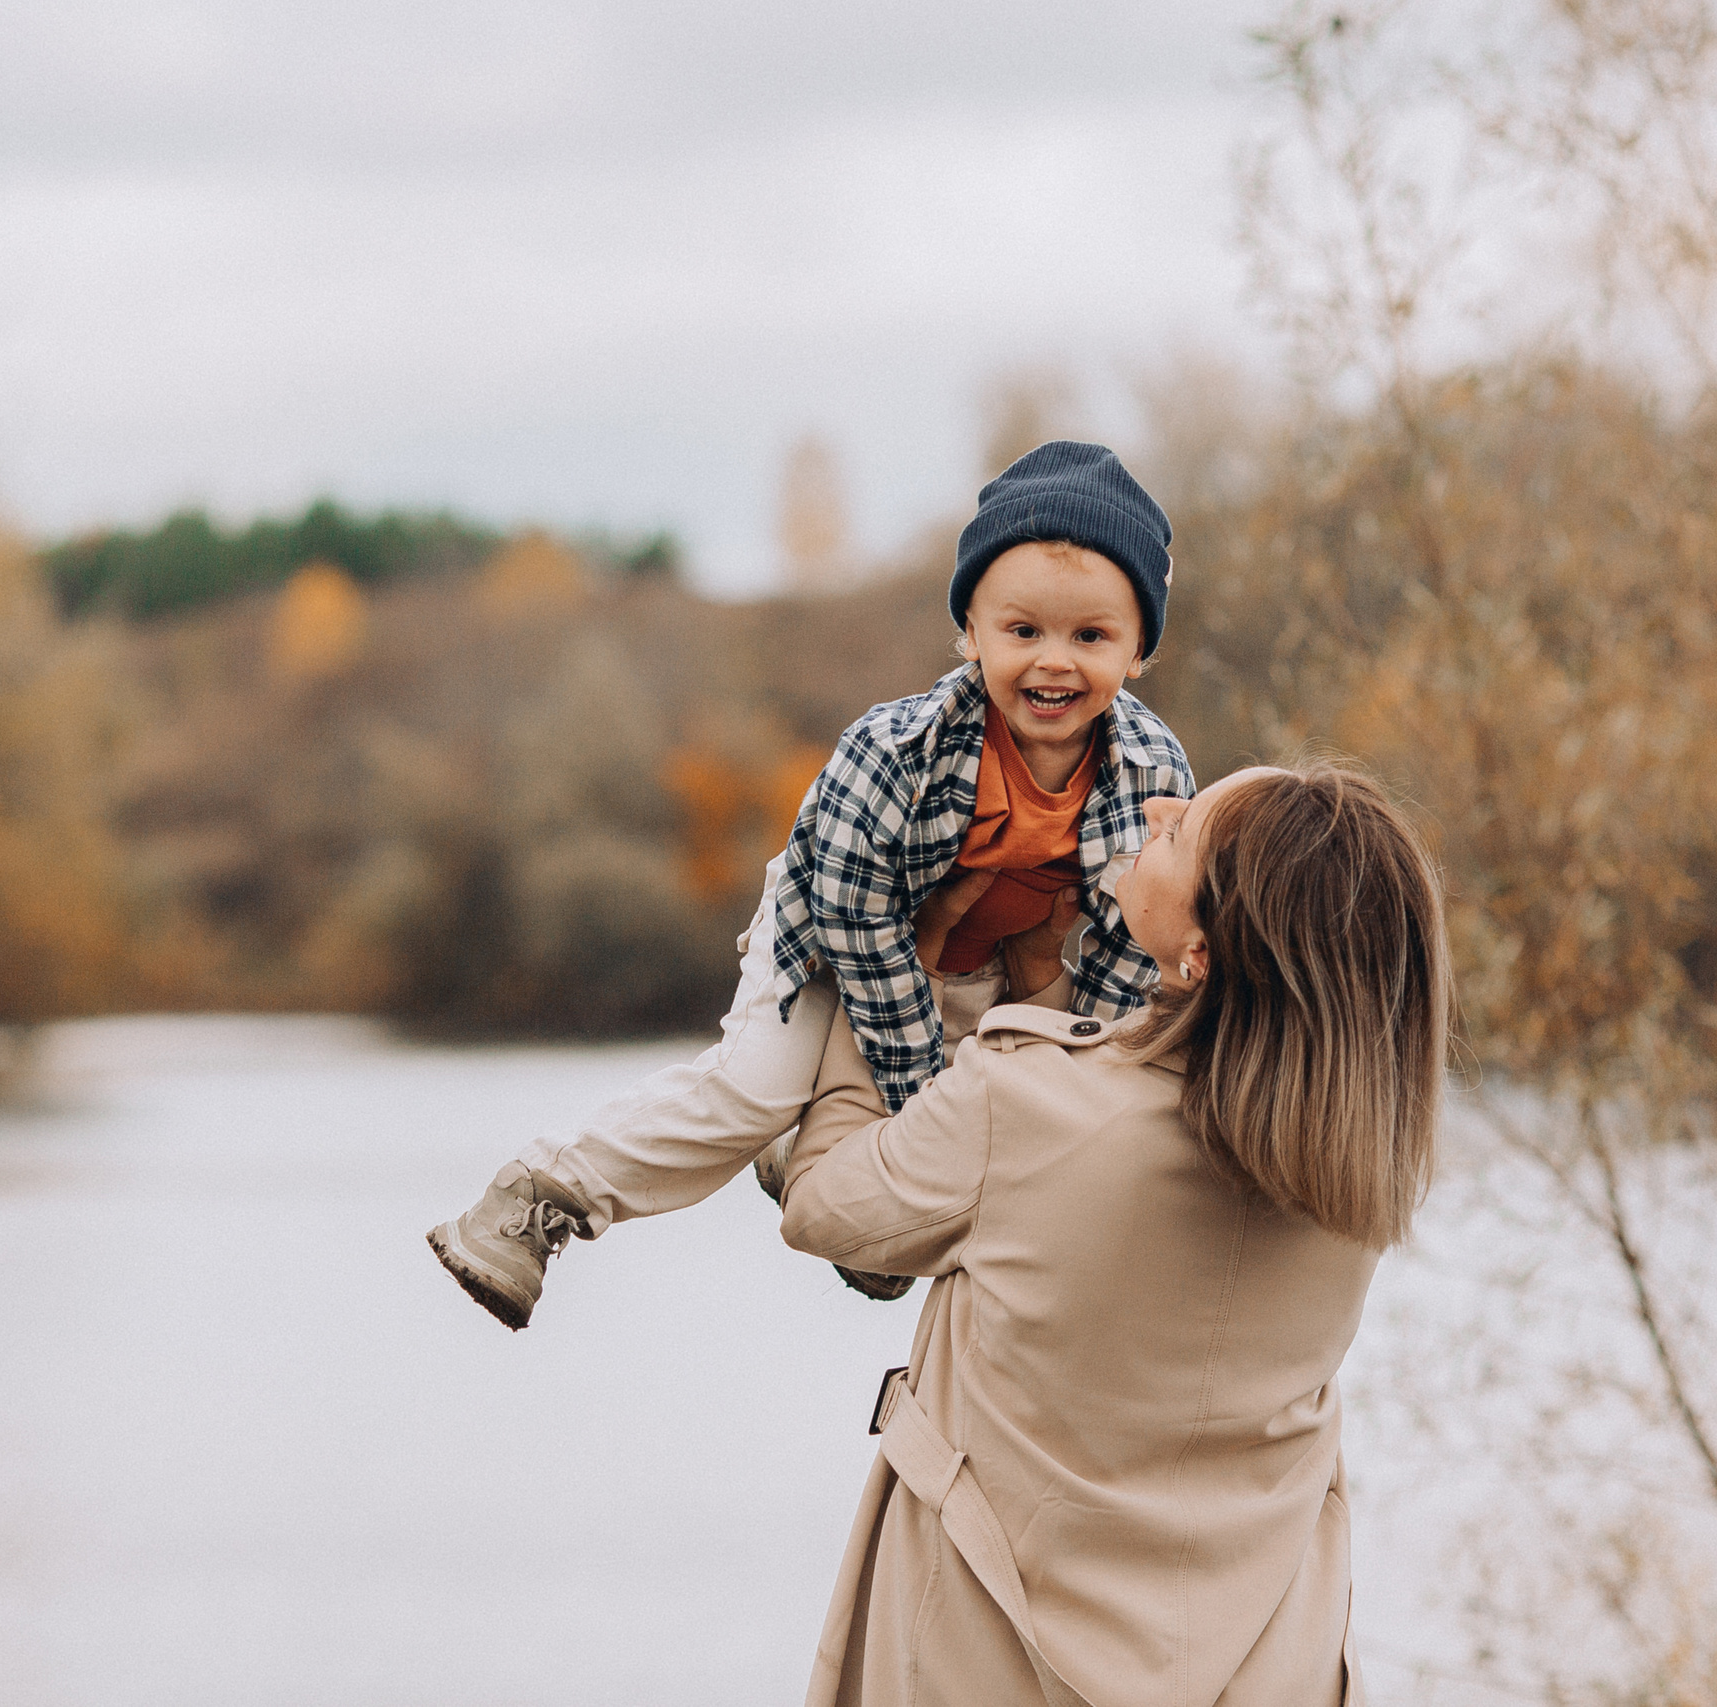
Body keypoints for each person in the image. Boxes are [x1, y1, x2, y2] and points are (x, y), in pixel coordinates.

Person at [427, 442, 1198, 1328]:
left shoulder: (1150, 773)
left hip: (983, 970)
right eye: (1022, 632)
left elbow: (1125, 950)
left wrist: (1082, 1072)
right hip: (831, 945)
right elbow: (855, 917)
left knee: (937, 1202)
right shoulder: (896, 749)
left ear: (1140, 649)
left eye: (1091, 636)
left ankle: (820, 1170)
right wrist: (916, 1107)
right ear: (971, 635)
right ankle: (539, 1197)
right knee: (754, 1089)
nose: (1053, 662)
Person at [776, 761, 1453, 1705]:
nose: (1159, 808)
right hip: (1261, 1667)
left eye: (1183, 832)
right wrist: (1050, 988)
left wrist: (889, 975)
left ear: (1201, 954)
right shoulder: (1353, 1177)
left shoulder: (1020, 1102)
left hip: (981, 1654)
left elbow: (822, 1201)